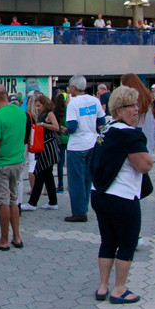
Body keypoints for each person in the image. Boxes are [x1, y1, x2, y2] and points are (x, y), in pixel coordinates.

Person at [90, 86, 153, 304]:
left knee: (108, 241)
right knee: (127, 243)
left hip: (99, 194)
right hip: (122, 197)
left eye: (137, 105)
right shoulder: (129, 134)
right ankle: (119, 289)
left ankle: (102, 287)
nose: (136, 110)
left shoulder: (107, 129)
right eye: (131, 106)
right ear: (119, 109)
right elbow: (144, 165)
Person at [0, 85, 30, 250]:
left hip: (1, 164)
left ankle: (4, 239)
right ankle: (17, 237)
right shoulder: (21, 112)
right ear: (6, 94)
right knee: (13, 199)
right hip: (17, 162)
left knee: (2, 201)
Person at [65, 75, 104, 222]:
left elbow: (73, 127)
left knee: (76, 180)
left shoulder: (73, 104)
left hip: (77, 146)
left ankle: (78, 212)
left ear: (74, 88)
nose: (69, 91)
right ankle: (85, 207)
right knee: (88, 178)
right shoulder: (94, 100)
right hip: (92, 142)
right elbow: (100, 120)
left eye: (69, 88)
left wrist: (65, 130)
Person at [22, 92, 60, 211]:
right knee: (47, 175)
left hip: (48, 146)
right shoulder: (42, 114)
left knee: (40, 173)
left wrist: (43, 124)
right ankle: (53, 201)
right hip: (44, 145)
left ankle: (33, 203)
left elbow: (56, 127)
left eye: (39, 105)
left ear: (45, 105)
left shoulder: (49, 114)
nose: (37, 108)